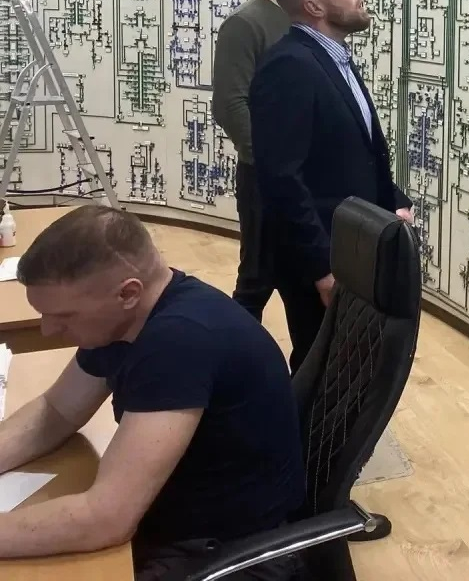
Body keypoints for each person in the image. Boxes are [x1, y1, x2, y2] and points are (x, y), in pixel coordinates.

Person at [0, 205, 304, 580]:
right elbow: (56, 411)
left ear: (128, 293)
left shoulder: (178, 342)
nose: (47, 330)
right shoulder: (124, 318)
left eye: (63, 317)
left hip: (226, 552)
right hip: (171, 523)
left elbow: (106, 519)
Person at [250, 0, 414, 373]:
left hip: (353, 249)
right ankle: (300, 421)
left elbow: (354, 150)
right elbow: (281, 178)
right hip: (323, 257)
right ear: (314, 6)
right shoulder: (289, 65)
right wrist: (321, 267)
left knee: (348, 368)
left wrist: (393, 199)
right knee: (321, 371)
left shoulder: (330, 58)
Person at [212, 0, 321, 321]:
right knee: (257, 280)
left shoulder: (308, 20)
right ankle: (237, 354)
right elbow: (230, 105)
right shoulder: (246, 24)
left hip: (306, 178)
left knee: (307, 281)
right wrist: (273, 163)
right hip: (264, 179)